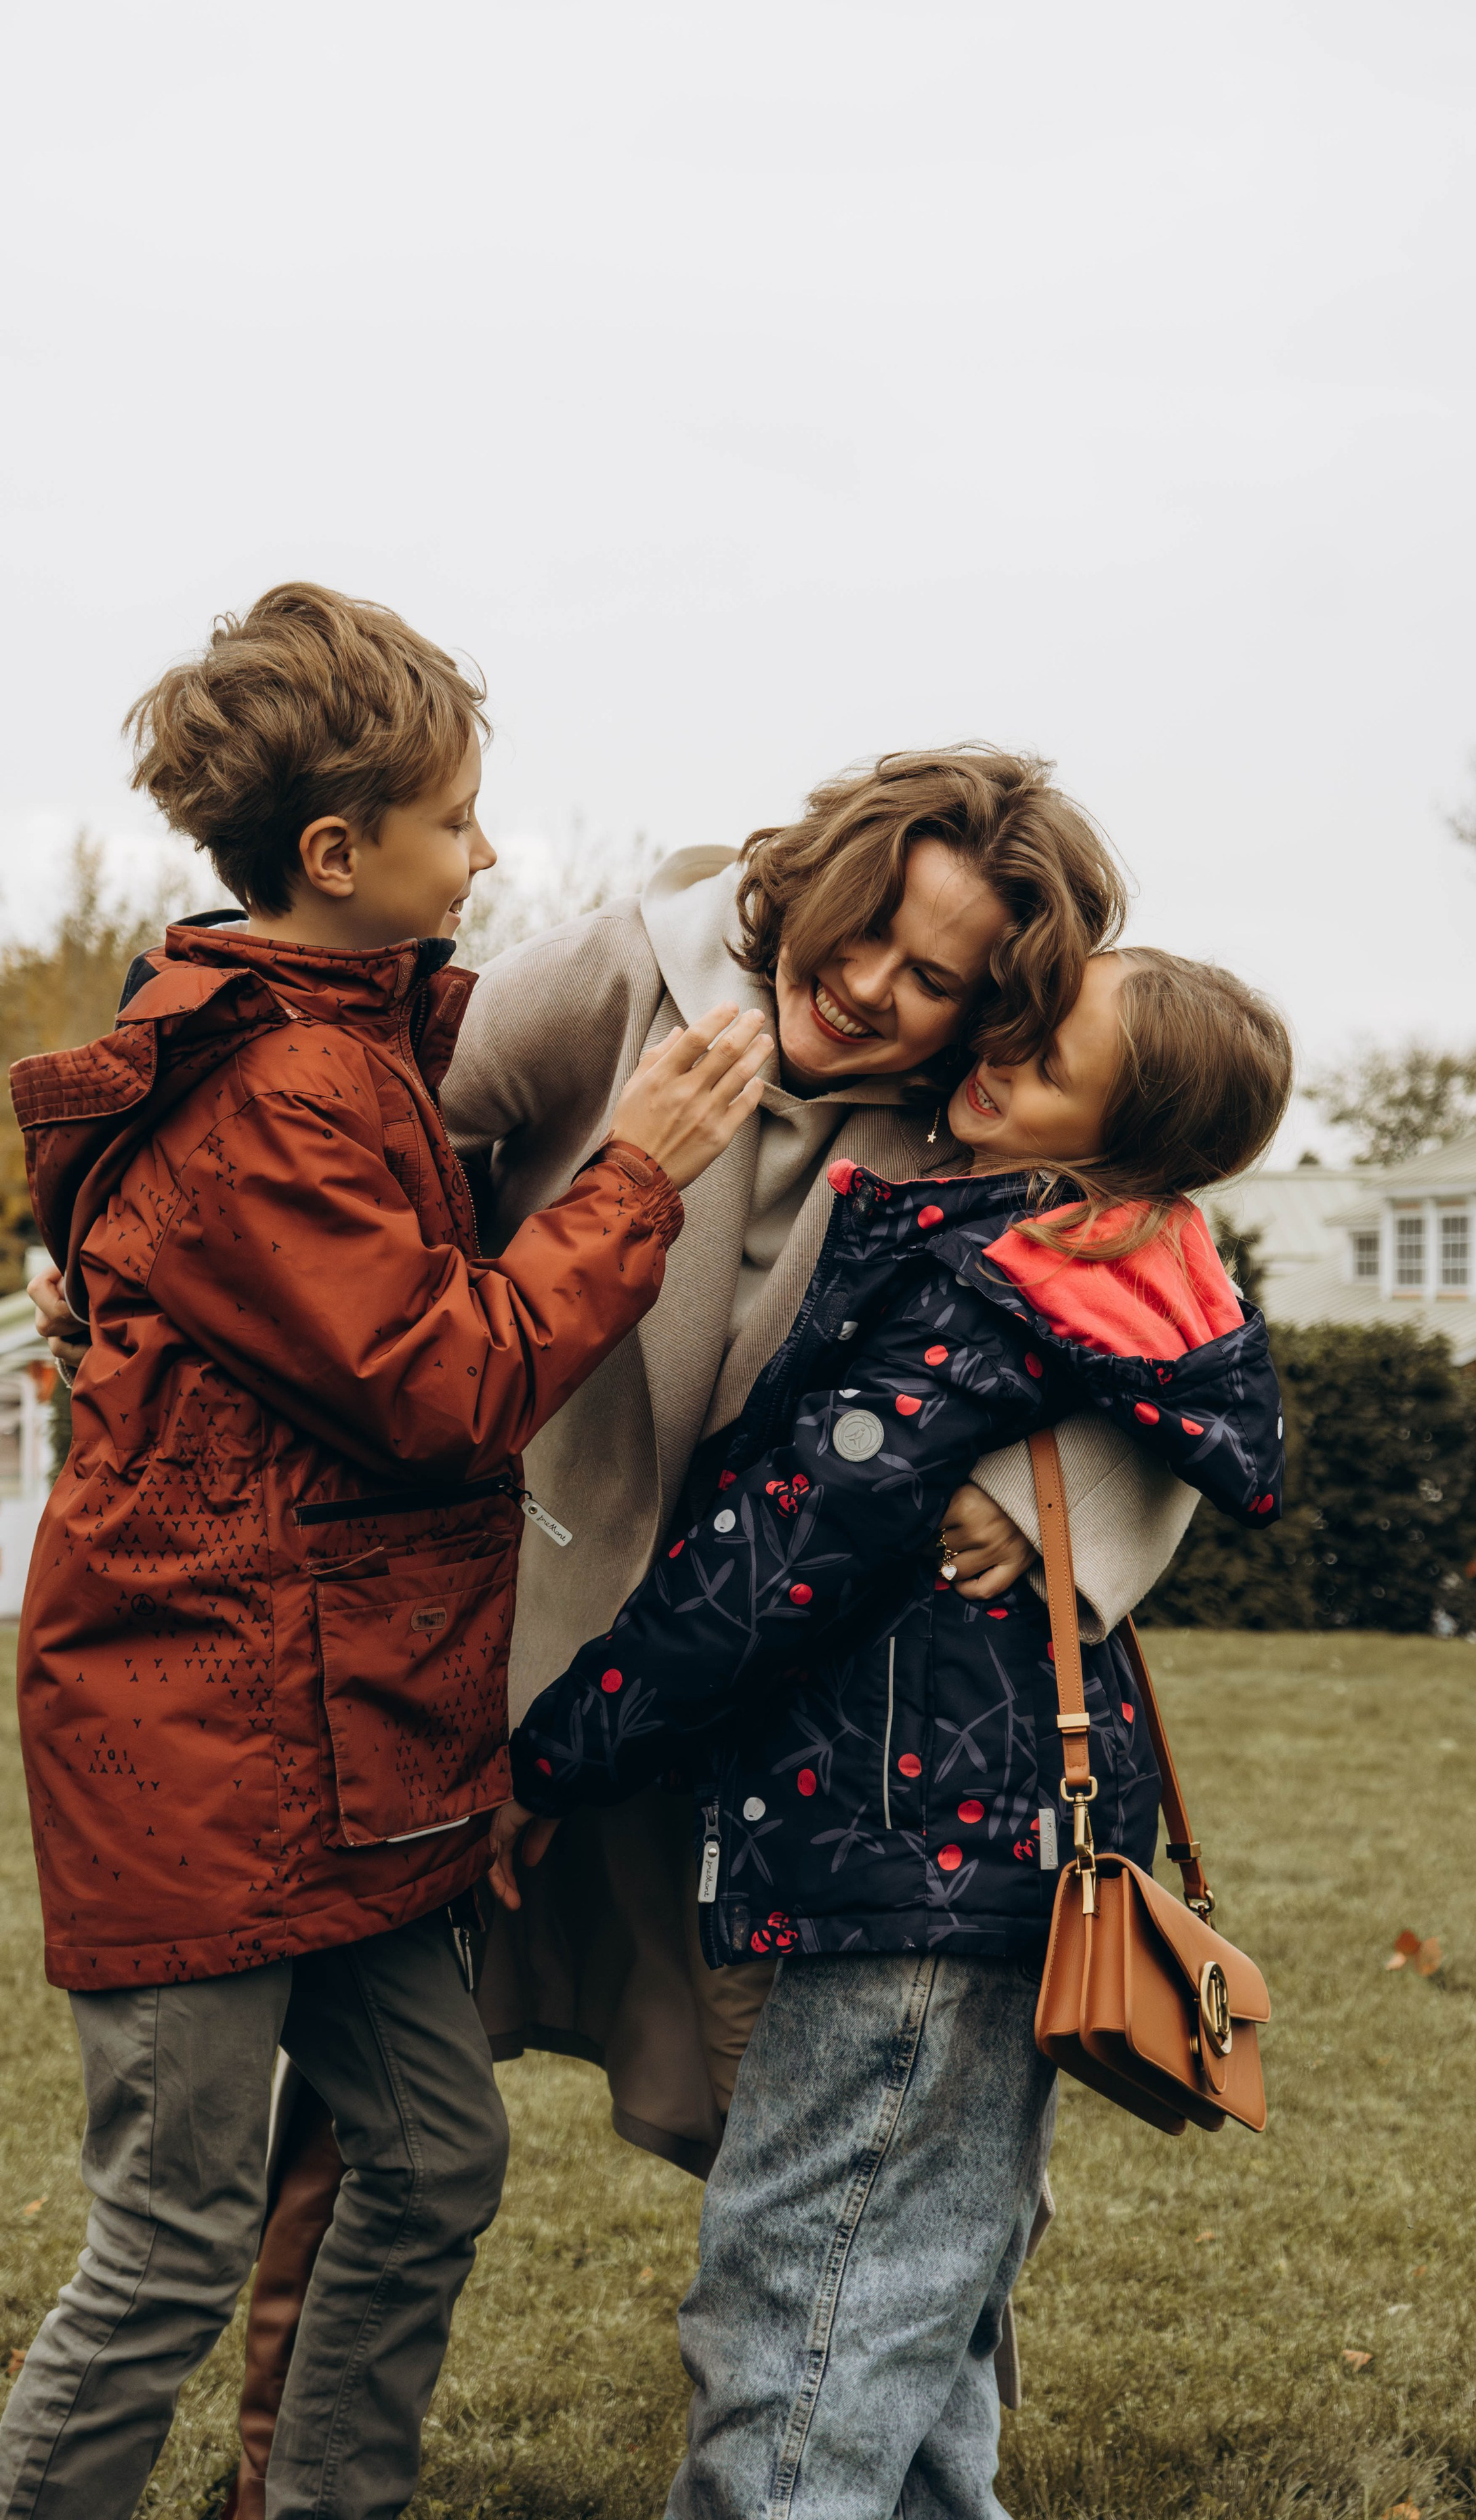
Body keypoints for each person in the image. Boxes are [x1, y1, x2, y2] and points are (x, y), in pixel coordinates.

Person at [219, 744, 1210, 2498]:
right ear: (811, 878)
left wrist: (1052, 1496)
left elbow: (1164, 1314)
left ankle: (885, 2455)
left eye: (936, 981)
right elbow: (339, 1165)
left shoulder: (976, 1115)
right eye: (865, 931)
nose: (875, 990)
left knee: (845, 2145)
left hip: (757, 1708)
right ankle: (286, 2477)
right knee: (379, 2109)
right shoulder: (620, 975)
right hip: (491, 1646)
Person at [0, 581, 769, 2520]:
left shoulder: (360, 1040)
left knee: (431, 2157)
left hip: (345, 1763)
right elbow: (444, 1385)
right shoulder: (271, 1089)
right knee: (169, 2240)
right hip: (198, 1755)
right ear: (337, 856)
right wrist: (640, 1178)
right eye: (457, 821)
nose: (487, 854)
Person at [497, 945, 1294, 2520]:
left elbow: (778, 1559)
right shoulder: (1101, 1271)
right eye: (1023, 1018)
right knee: (921, 2306)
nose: (997, 1052)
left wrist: (552, 1755)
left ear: (1119, 1144)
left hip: (909, 1856)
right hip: (974, 1846)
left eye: (1047, 1061)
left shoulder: (989, 1286)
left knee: (801, 2303)